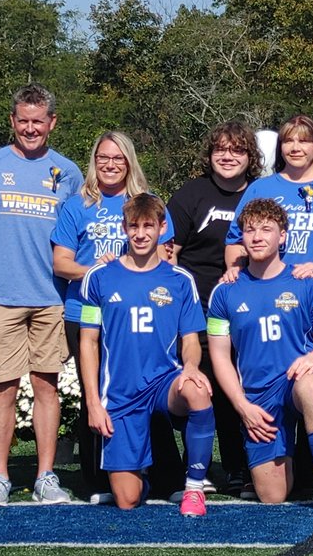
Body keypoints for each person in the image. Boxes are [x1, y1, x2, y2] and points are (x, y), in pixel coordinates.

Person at [0, 84, 82, 507]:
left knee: (47, 387)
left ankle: (46, 476)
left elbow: (82, 235)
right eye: (22, 120)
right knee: (3, 388)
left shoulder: (70, 172)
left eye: (38, 121)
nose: (30, 128)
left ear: (52, 123)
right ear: (13, 121)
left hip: (52, 297)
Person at [223, 115, 313, 495]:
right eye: (289, 141)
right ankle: (280, 468)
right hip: (270, 304)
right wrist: (236, 273)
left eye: (304, 141)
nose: (295, 148)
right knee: (270, 381)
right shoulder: (263, 187)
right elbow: (236, 240)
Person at [52, 130, 178, 500]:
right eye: (103, 157)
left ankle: (166, 475)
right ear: (94, 161)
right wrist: (97, 271)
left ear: (129, 162)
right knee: (96, 393)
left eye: (118, 158)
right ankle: (98, 479)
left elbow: (168, 257)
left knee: (150, 389)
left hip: (141, 313)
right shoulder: (77, 206)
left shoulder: (149, 202)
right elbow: (61, 262)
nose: (110, 164)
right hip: (87, 313)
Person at [79, 194, 215, 515]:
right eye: (133, 227)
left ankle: (194, 488)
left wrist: (191, 367)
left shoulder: (180, 281)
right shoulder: (99, 277)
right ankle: (145, 473)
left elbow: (191, 339)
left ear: (162, 228)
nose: (140, 234)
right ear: (123, 228)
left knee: (197, 390)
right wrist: (93, 402)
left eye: (148, 226)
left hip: (163, 385)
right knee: (127, 501)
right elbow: (88, 343)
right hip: (120, 394)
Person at [208, 198, 313, 516]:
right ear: (241, 236)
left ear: (282, 236)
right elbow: (220, 357)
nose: (257, 236)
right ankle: (288, 453)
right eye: (250, 230)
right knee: (272, 495)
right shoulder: (224, 291)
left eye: (266, 229)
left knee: (311, 385)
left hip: (296, 381)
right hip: (258, 396)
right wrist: (243, 408)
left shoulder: (306, 284)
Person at [168, 121, 263, 496]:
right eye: (220, 149)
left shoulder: (259, 194)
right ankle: (199, 466)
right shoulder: (191, 195)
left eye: (237, 150)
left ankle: (241, 468)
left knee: (242, 387)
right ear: (209, 155)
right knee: (205, 388)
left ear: (250, 157)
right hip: (200, 308)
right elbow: (169, 253)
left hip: (249, 307)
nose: (228, 156)